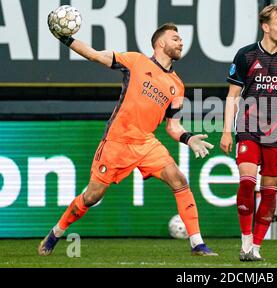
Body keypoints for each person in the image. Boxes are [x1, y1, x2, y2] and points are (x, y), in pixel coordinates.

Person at [38, 16, 218, 256]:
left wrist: (189, 137)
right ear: (160, 44)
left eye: (181, 39)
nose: (180, 42)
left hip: (146, 143)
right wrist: (65, 38)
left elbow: (172, 126)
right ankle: (56, 233)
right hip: (117, 142)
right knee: (92, 196)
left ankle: (198, 244)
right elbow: (94, 55)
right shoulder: (135, 61)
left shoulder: (177, 84)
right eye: (175, 38)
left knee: (179, 180)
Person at [220, 5, 277, 261]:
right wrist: (226, 131)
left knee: (270, 190)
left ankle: (256, 247)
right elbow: (232, 97)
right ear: (266, 27)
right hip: (248, 129)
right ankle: (245, 242)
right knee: (247, 181)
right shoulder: (245, 56)